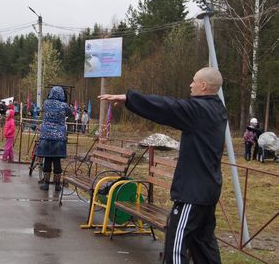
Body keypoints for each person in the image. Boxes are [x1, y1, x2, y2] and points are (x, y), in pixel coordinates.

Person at [99, 67, 227, 264]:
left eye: (193, 81)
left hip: (193, 195)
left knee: (175, 250)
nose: (190, 85)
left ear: (203, 86)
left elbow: (167, 107)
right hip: (207, 192)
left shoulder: (199, 110)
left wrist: (130, 98)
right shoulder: (218, 109)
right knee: (204, 248)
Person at [36, 86, 72, 192]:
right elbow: (70, 113)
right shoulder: (64, 105)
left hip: (46, 135)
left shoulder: (46, 103)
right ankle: (57, 185)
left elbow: (42, 109)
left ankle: (46, 184)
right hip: (59, 137)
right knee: (57, 160)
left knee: (47, 159)